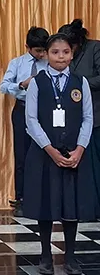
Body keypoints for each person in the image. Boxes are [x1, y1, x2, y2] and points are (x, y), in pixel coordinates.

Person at [24, 33, 95, 275]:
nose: (61, 57)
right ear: (46, 54)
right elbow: (31, 120)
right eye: (55, 52)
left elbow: (88, 118)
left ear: (72, 54)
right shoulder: (37, 82)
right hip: (45, 154)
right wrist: (50, 149)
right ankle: (45, 255)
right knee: (45, 204)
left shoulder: (80, 82)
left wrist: (80, 149)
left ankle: (71, 257)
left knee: (70, 206)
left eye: (65, 52)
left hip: (73, 154)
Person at [0, 26, 49, 216]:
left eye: (44, 50)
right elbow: (3, 86)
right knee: (22, 155)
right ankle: (21, 199)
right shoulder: (17, 63)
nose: (41, 54)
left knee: (44, 154)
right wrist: (22, 84)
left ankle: (43, 198)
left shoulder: (50, 63)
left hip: (44, 112)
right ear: (27, 47)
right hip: (22, 109)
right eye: (38, 51)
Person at [58, 19, 100, 214]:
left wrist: (80, 84)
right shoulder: (66, 58)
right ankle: (84, 209)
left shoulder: (95, 48)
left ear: (79, 42)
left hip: (96, 116)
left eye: (69, 48)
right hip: (75, 120)